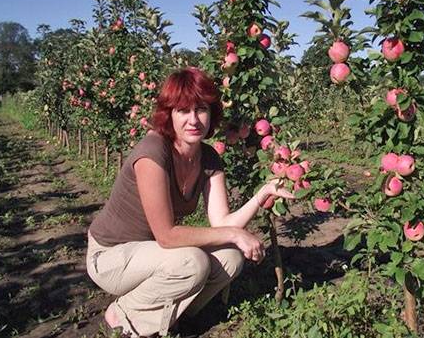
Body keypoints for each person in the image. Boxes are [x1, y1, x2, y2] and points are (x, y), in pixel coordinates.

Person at [86, 67, 294, 337]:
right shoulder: (153, 153)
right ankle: (123, 315)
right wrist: (235, 234)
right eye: (183, 111)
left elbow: (222, 223)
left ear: (212, 113)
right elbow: (167, 236)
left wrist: (262, 194)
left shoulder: (207, 157)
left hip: (152, 254)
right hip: (112, 255)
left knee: (230, 257)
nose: (194, 119)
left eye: (201, 109)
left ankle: (177, 317)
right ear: (168, 115)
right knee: (191, 262)